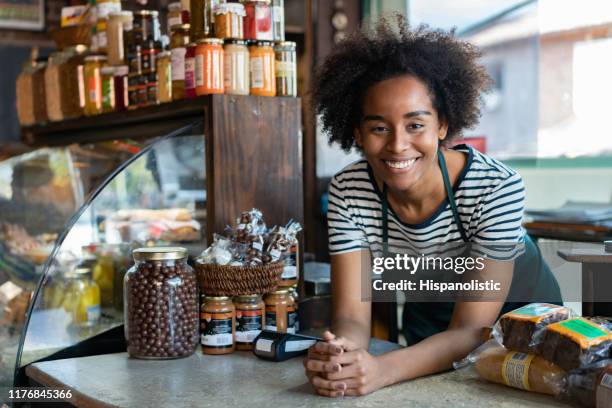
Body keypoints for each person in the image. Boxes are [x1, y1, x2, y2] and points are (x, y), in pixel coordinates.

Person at [303, 16, 562, 397]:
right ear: (356, 133)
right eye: (378, 128)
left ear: (442, 124)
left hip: (524, 327)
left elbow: (472, 331)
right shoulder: (349, 190)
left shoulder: (495, 187)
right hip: (433, 318)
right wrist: (342, 355)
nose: (397, 145)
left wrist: (381, 370)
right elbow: (350, 315)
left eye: (415, 125)